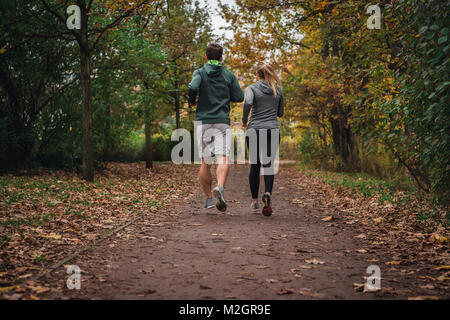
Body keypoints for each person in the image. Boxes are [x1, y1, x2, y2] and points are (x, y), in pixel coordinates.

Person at [188, 43, 244, 212]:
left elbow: (192, 87)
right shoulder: (228, 75)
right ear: (221, 57)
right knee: (223, 158)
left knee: (206, 162)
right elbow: (239, 96)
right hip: (221, 121)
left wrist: (192, 100)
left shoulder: (200, 72)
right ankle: (219, 187)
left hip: (204, 121)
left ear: (206, 57)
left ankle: (208, 200)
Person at [242, 62, 284, 216]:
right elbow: (280, 113)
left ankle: (254, 202)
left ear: (257, 74)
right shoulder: (278, 90)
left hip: (254, 130)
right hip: (272, 130)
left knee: (255, 165)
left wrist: (244, 120)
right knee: (268, 165)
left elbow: (248, 103)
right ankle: (267, 194)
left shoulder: (252, 88)